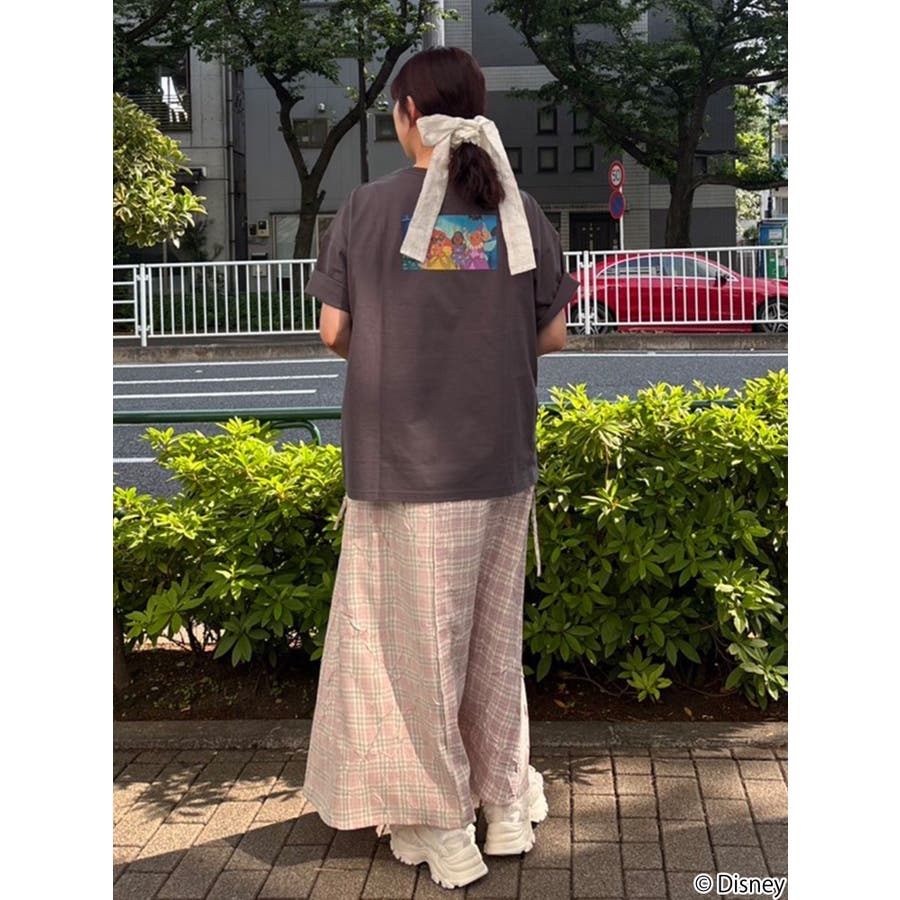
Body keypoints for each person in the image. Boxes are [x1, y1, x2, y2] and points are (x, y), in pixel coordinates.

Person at [301, 46, 578, 890]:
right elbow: (554, 332)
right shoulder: (514, 207)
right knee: (491, 643)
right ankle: (505, 804)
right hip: (500, 458)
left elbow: (334, 332)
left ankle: (441, 822)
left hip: (403, 467)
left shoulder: (368, 207)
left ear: (409, 114)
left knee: (414, 649)